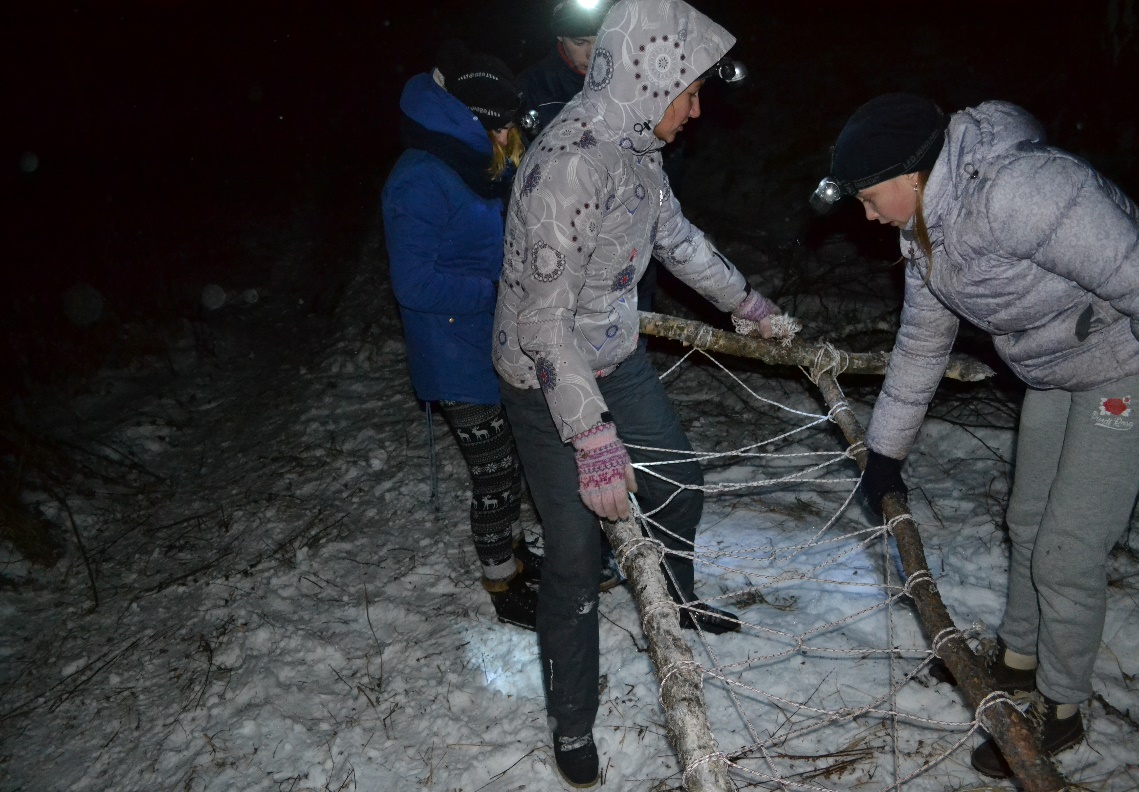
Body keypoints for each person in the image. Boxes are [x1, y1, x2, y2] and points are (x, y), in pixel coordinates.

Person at [493, 1, 784, 786]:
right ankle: (571, 719)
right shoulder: (567, 166)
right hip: (541, 371)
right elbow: (541, 323)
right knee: (577, 553)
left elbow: (675, 238)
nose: (696, 109)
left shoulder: (636, 150)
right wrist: (591, 440)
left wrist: (742, 302)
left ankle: (677, 600)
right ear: (650, 81)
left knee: (678, 483)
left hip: (613, 353)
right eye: (687, 92)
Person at [811, 93, 1139, 779]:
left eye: (870, 198)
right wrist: (884, 453)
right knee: (1025, 522)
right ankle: (1016, 661)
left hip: (1124, 367)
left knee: (1065, 550)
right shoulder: (926, 230)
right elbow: (920, 345)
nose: (866, 217)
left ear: (912, 172)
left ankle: (1062, 705)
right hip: (1055, 369)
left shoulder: (1020, 191)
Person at [382, 41, 541, 631]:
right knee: (495, 471)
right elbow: (414, 283)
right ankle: (502, 581)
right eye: (495, 129)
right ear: (466, 120)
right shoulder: (420, 178)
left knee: (512, 459)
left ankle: (519, 557)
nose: (505, 141)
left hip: (492, 344)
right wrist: (495, 292)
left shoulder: (472, 163)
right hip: (452, 353)